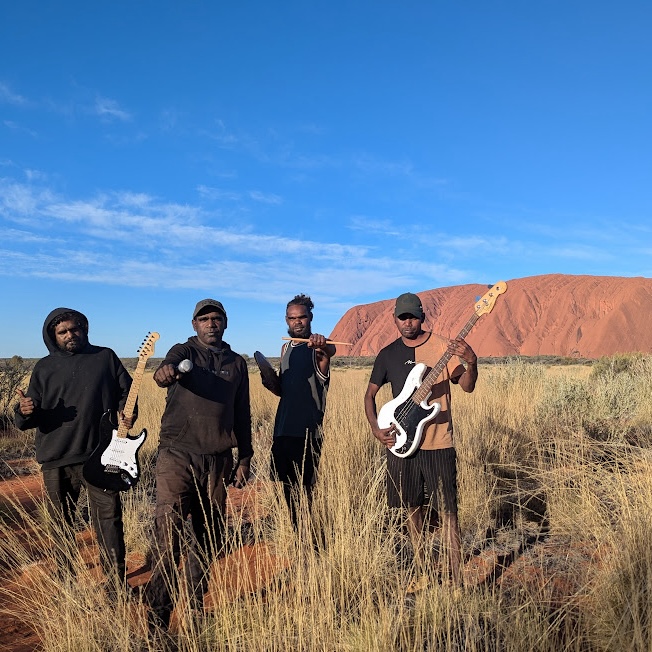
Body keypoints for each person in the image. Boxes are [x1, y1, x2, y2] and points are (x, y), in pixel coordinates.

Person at [146, 298, 252, 631]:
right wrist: (165, 373)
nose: (210, 323)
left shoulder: (236, 363)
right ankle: (157, 618)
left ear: (225, 323)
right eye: (203, 319)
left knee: (208, 536)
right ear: (194, 325)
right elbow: (166, 369)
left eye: (216, 318)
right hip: (177, 454)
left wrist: (245, 456)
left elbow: (242, 412)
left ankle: (194, 606)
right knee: (169, 535)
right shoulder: (183, 352)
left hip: (218, 459)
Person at [14, 308, 134, 589]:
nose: (70, 335)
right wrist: (24, 411)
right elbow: (28, 414)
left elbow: (128, 391)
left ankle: (116, 584)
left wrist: (127, 412)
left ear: (85, 329)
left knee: (109, 520)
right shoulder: (44, 367)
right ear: (53, 336)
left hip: (101, 455)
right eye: (63, 332)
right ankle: (67, 584)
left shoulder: (105, 357)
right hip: (57, 457)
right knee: (61, 524)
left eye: (75, 329)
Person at [363, 292, 477, 587]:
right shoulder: (387, 354)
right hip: (401, 440)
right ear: (395, 320)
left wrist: (471, 363)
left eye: (413, 316)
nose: (408, 322)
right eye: (402, 317)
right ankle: (425, 572)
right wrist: (377, 429)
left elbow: (466, 386)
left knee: (449, 511)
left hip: (439, 441)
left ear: (422, 317)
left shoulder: (442, 347)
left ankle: (457, 580)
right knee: (412, 508)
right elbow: (370, 395)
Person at [260, 294, 335, 531]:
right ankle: (298, 536)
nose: (298, 322)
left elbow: (328, 352)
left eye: (302, 317)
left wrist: (322, 344)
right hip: (283, 428)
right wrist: (270, 381)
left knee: (305, 490)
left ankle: (307, 541)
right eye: (292, 318)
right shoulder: (286, 348)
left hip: (308, 431)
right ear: (286, 320)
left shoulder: (319, 348)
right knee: (286, 487)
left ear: (310, 317)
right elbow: (282, 391)